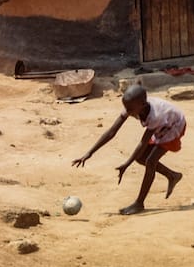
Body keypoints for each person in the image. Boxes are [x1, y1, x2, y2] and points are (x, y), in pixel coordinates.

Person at [72, 83, 185, 215]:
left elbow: (142, 143)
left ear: (143, 104)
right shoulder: (132, 107)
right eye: (126, 108)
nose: (127, 111)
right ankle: (172, 176)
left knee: (150, 161)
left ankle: (139, 203)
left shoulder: (155, 115)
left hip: (173, 126)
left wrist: (127, 164)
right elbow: (111, 132)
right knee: (141, 157)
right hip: (162, 127)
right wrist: (89, 153)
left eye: (130, 109)